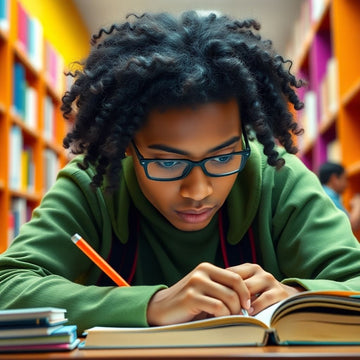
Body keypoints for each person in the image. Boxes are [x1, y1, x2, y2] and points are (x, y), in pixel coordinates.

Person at [0, 11, 359, 334]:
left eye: (222, 158)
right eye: (168, 162)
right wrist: (152, 305)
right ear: (127, 145)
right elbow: (7, 284)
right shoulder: (93, 181)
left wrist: (295, 295)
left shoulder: (278, 176)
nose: (198, 191)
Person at [319, 161, 360, 231]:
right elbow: (350, 225)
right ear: (334, 179)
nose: (347, 184)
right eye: (345, 179)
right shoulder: (328, 197)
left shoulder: (324, 193)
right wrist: (358, 203)